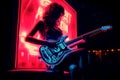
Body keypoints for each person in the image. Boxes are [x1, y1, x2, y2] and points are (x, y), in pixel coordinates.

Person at [25, 2, 87, 80]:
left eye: (60, 15)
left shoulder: (59, 30)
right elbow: (27, 38)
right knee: (82, 52)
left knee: (74, 67)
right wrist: (47, 43)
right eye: (58, 15)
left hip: (61, 57)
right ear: (52, 13)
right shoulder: (42, 23)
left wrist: (79, 42)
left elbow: (63, 47)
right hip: (51, 58)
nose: (59, 18)